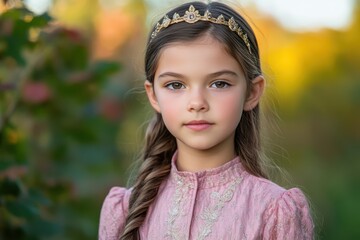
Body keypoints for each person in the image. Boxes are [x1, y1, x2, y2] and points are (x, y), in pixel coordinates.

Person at [98, 1, 314, 239]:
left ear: (252, 92)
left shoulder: (273, 211)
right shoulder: (124, 210)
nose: (197, 102)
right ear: (153, 95)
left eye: (219, 83)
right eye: (175, 85)